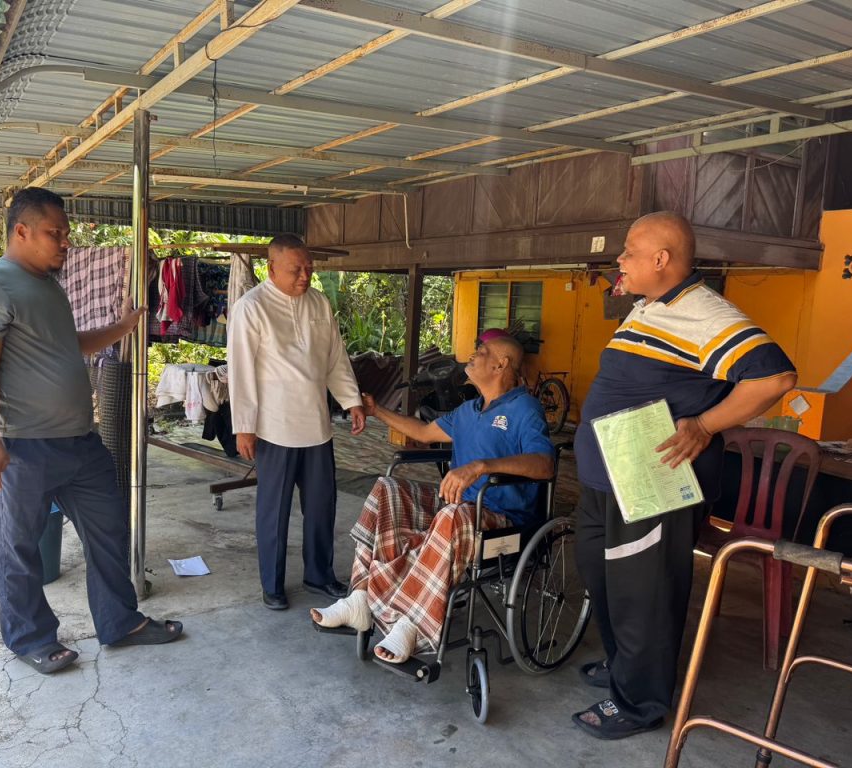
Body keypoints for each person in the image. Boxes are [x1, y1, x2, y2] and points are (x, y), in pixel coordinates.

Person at [572, 211, 797, 739]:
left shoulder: (706, 312)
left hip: (652, 481)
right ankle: (625, 666)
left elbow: (776, 377)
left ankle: (639, 703)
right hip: (608, 478)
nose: (619, 259)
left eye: (629, 251)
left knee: (643, 595)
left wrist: (704, 425)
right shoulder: (648, 307)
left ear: (661, 259)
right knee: (602, 578)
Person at [0, 188, 182, 675]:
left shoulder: (48, 285)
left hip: (80, 441)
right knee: (17, 546)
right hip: (23, 445)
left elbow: (69, 344)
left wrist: (123, 326)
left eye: (66, 234)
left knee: (109, 530)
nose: (65, 243)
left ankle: (120, 622)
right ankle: (31, 638)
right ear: (21, 231)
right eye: (55, 233)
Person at [310, 333, 555, 663]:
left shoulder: (525, 408)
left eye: (482, 351)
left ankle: (412, 624)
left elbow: (545, 464)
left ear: (501, 364)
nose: (472, 354)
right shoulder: (469, 410)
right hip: (456, 508)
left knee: (453, 515)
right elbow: (424, 433)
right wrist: (377, 410)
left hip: (501, 521)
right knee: (387, 489)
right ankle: (361, 597)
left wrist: (481, 466)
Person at [227, 234, 365, 610]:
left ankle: (319, 575)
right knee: (274, 511)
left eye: (309, 268)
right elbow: (241, 371)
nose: (304, 276)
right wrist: (244, 426)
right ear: (271, 268)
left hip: (316, 426)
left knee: (322, 506)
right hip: (273, 428)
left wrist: (351, 400)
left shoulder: (319, 303)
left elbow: (335, 358)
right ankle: (272, 585)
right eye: (295, 269)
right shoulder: (251, 308)